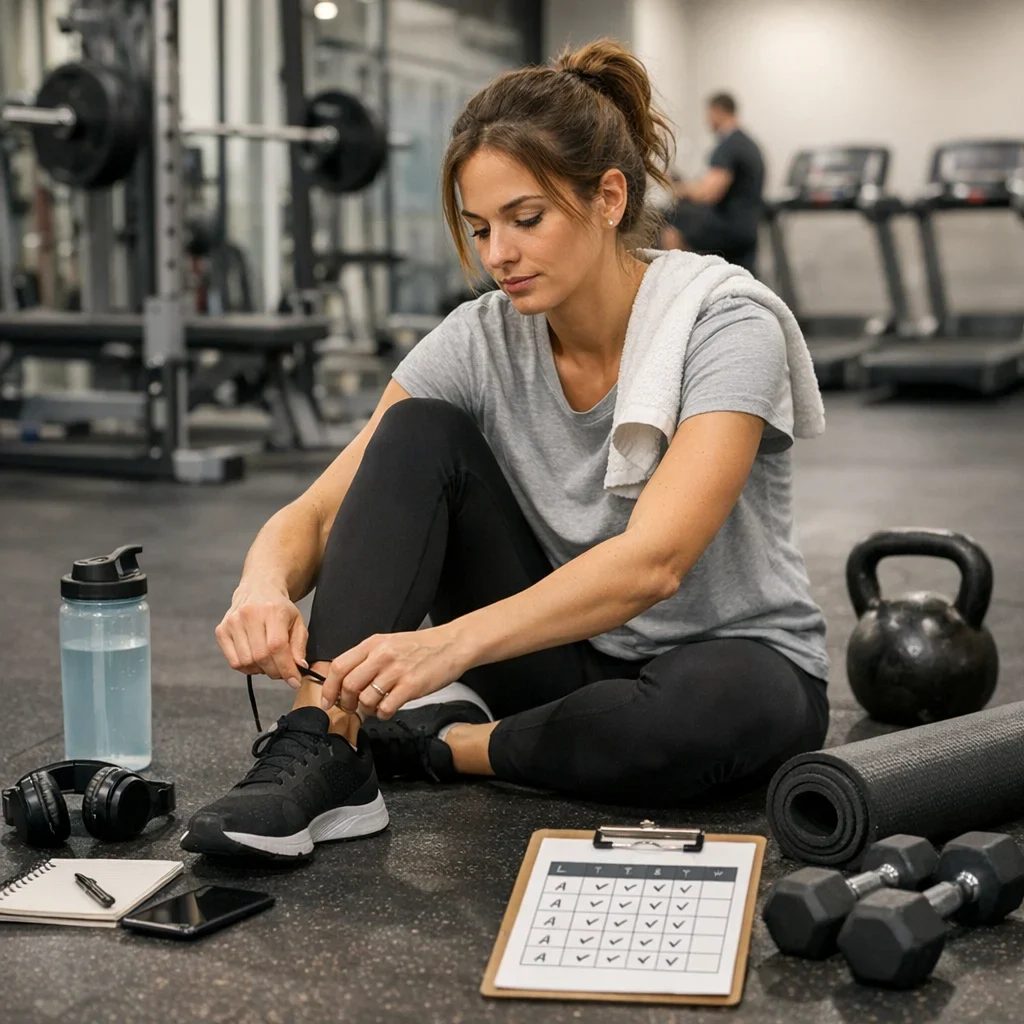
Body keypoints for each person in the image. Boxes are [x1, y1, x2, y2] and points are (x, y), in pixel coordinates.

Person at [180, 40, 829, 861]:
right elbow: (319, 508)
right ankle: (329, 743)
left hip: (729, 660)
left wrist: (446, 647)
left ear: (607, 198)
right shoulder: (480, 338)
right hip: (558, 655)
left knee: (701, 720)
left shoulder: (726, 325)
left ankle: (436, 745)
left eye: (527, 220)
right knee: (417, 432)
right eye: (481, 228)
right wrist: (262, 583)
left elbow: (655, 561)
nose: (498, 256)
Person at [662, 92, 765, 273]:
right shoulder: (748, 143)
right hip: (748, 226)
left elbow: (707, 193)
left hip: (731, 229)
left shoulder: (729, 146)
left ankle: (675, 285)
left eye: (708, 115)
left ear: (717, 112)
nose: (707, 121)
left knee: (671, 218)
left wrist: (677, 187)